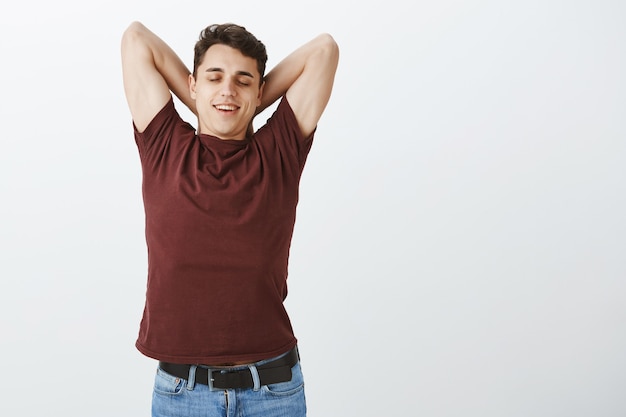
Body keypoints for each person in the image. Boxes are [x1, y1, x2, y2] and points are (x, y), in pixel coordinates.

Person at [121, 19, 338, 417]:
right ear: (191, 84)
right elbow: (136, 38)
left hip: (273, 393)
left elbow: (324, 49)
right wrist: (211, 100)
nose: (227, 89)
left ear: (260, 92)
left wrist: (237, 101)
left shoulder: (279, 151)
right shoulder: (164, 144)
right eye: (214, 77)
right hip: (182, 393)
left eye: (243, 80)